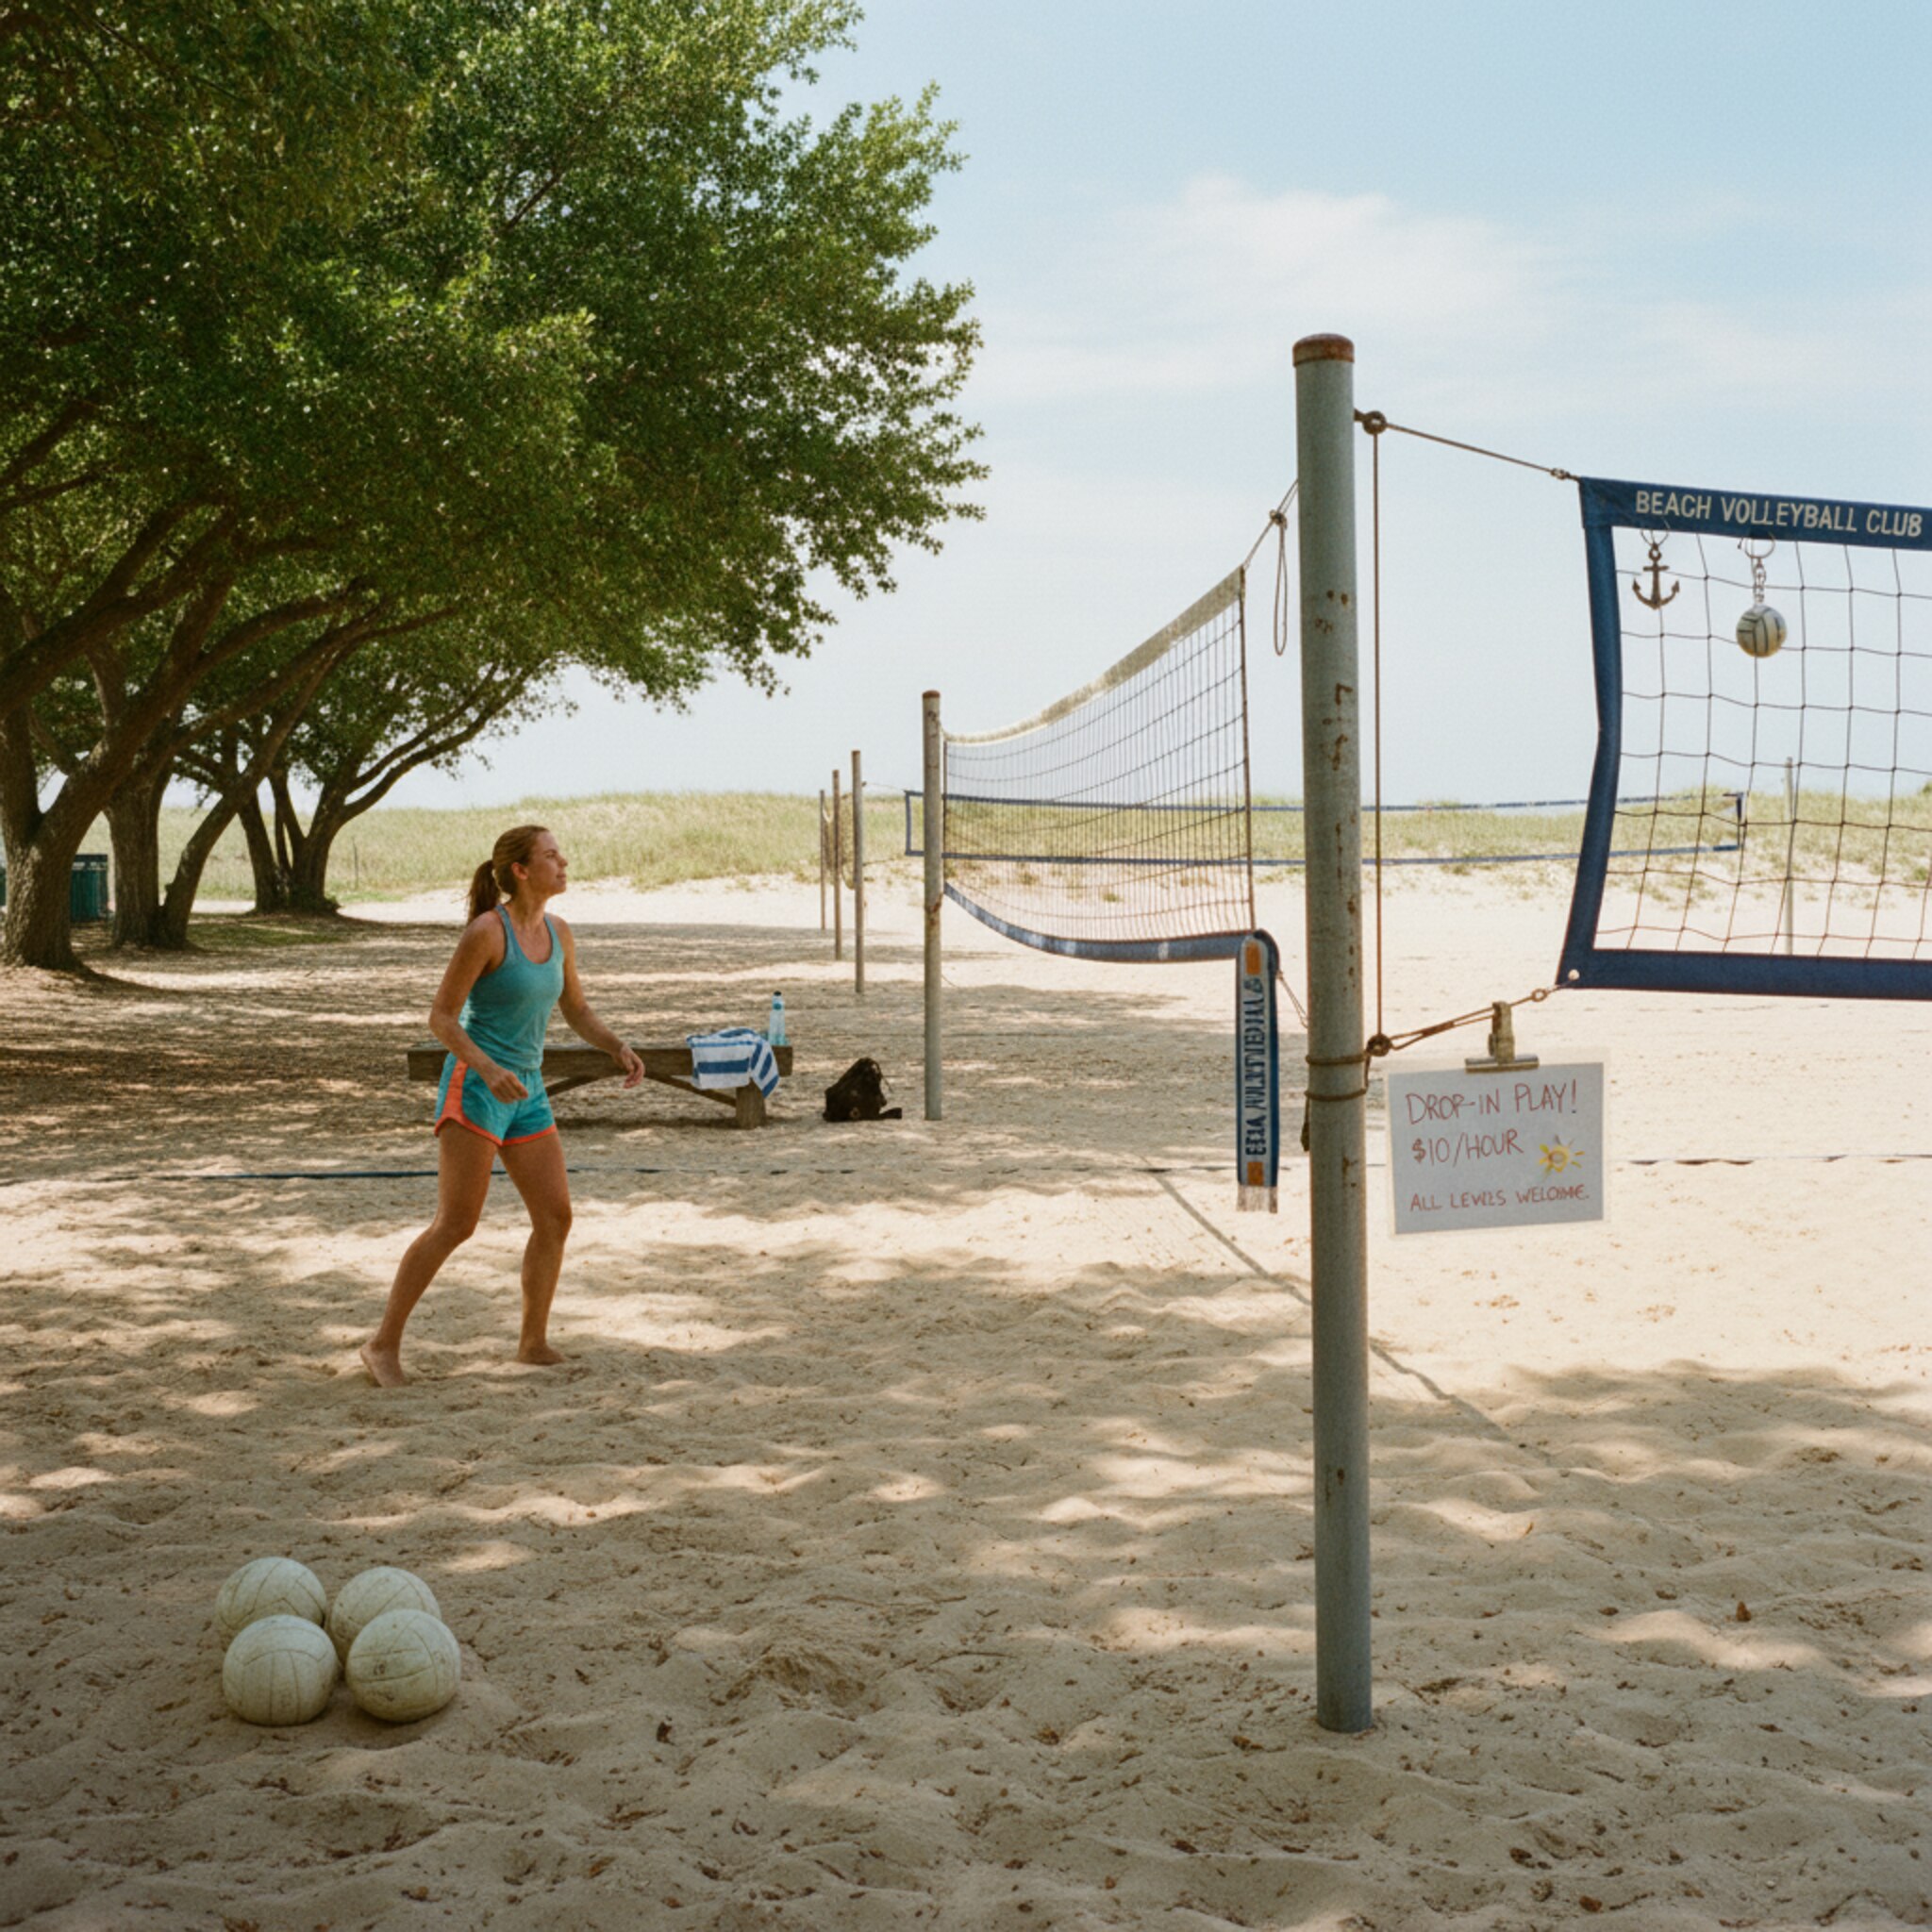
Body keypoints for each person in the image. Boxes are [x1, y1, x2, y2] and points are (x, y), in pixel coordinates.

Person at [360, 824, 642, 1387]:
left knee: (556, 1217)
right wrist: (487, 1067)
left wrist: (616, 1045)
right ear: (520, 870)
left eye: (561, 852)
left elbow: (577, 1009)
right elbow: (440, 1017)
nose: (563, 862)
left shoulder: (559, 932)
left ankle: (532, 1342)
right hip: (477, 1086)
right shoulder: (487, 934)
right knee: (456, 1224)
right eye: (550, 855)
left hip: (529, 1092)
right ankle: (381, 1345)